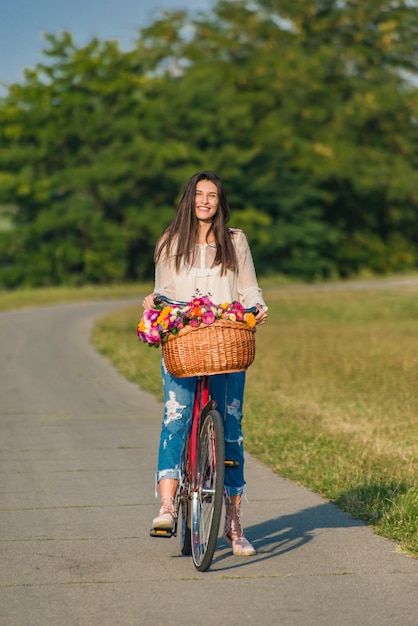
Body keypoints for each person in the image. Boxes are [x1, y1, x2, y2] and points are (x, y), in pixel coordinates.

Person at [142, 170, 267, 557]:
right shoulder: (170, 241)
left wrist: (257, 306)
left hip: (225, 339)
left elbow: (248, 286)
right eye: (199, 194)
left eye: (212, 195)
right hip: (184, 339)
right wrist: (154, 301)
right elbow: (163, 288)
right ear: (189, 199)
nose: (205, 201)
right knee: (176, 415)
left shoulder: (235, 241)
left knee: (231, 426)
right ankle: (166, 506)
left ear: (220, 201)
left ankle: (233, 522)